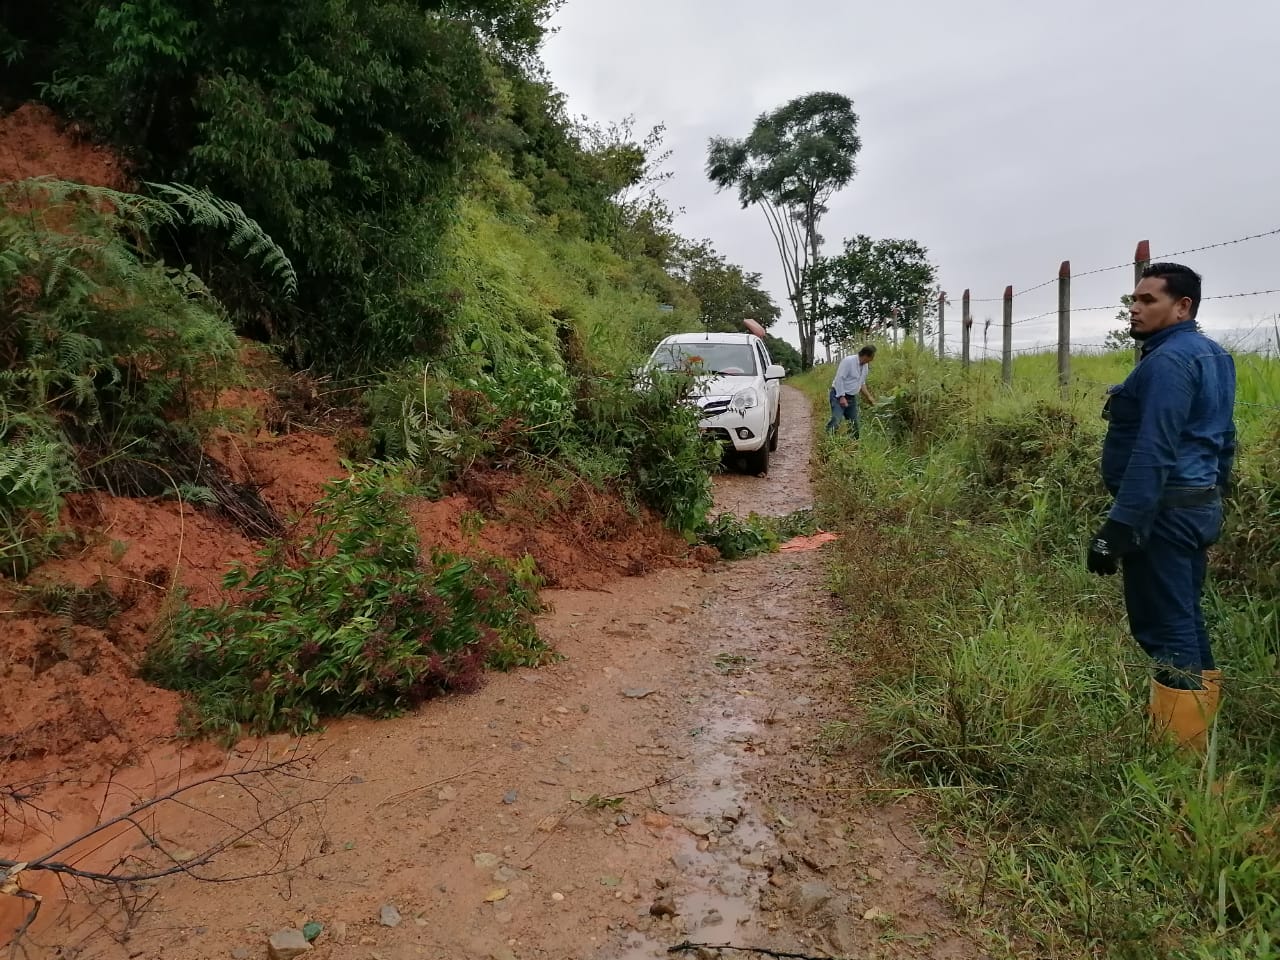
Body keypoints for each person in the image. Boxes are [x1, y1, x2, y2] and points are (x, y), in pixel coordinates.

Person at [1086, 262, 1236, 752]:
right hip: (1196, 506)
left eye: (1148, 300)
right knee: (1184, 617)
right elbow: (1225, 439)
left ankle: (1182, 753)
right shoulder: (1214, 355)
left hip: (1165, 514)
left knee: (1165, 625)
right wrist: (1212, 497)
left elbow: (1155, 447)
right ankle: (1198, 737)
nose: (1134, 308)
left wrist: (1121, 525)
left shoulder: (1168, 362)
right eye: (1134, 298)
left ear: (1182, 306)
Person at [826, 345, 877, 437]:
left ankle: (853, 443)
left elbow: (861, 383)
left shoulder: (865, 366)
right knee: (836, 420)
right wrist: (841, 397)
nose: (872, 360)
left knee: (854, 425)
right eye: (872, 357)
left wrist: (869, 397)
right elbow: (839, 379)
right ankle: (828, 439)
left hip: (851, 398)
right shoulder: (849, 361)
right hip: (838, 395)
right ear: (866, 355)